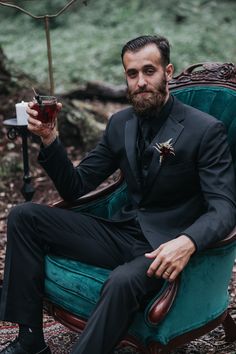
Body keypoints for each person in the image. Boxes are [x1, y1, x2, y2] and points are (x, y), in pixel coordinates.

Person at [0, 35, 235, 354]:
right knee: (24, 216)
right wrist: (50, 138)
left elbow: (224, 208)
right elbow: (76, 186)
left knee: (122, 281)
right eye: (132, 73)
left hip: (164, 246)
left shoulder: (205, 130)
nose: (140, 82)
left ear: (168, 72)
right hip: (121, 232)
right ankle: (29, 339)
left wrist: (188, 241)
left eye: (149, 71)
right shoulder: (120, 123)